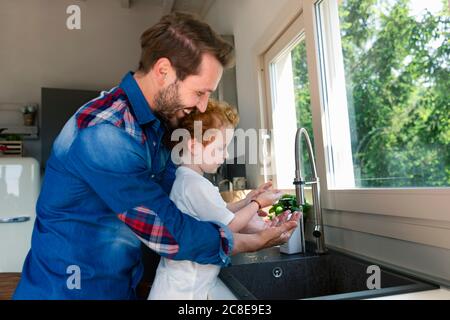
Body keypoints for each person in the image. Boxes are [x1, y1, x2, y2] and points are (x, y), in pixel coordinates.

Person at [13, 12, 298, 300]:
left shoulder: (156, 128)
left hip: (118, 288)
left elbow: (177, 208)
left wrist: (253, 217)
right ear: (163, 70)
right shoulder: (105, 134)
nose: (202, 107)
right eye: (199, 92)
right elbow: (169, 232)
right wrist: (252, 242)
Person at [149, 100, 294, 300]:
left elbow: (220, 210)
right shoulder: (194, 185)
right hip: (181, 292)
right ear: (193, 146)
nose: (225, 155)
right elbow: (230, 225)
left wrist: (247, 201)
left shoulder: (188, 179)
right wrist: (258, 204)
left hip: (190, 286)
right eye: (220, 148)